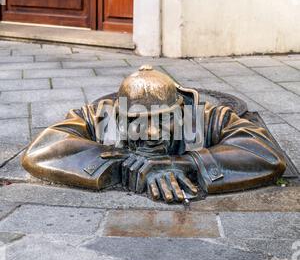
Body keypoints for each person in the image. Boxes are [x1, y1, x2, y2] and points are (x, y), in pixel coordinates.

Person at [22, 66, 286, 204]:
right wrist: (123, 164)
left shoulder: (204, 118)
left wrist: (184, 163)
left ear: (180, 111)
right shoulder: (103, 116)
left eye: (162, 119)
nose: (150, 132)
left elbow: (263, 152)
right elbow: (42, 150)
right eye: (136, 121)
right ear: (119, 114)